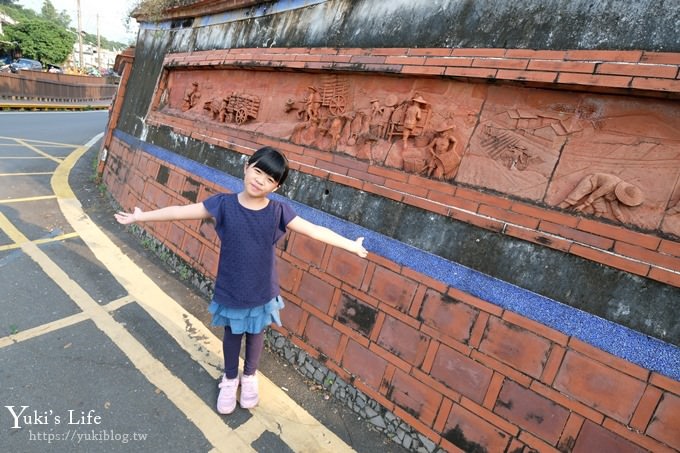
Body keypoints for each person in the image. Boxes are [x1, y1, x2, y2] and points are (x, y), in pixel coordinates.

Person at [114, 147, 368, 415]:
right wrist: (141, 216)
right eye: (258, 171)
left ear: (277, 186)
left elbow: (314, 230)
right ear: (247, 166)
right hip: (232, 286)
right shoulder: (223, 204)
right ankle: (230, 379)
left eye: (269, 179)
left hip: (261, 289)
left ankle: (249, 378)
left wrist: (350, 245)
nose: (260, 180)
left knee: (256, 334)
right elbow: (180, 211)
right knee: (233, 335)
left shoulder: (279, 211)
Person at [558, 172, 643, 222]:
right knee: (573, 197)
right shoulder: (611, 185)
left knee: (600, 211)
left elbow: (615, 208)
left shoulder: (615, 192)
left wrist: (623, 222)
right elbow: (595, 195)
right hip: (591, 181)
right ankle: (558, 210)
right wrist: (583, 206)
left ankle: (587, 225)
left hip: (598, 190)